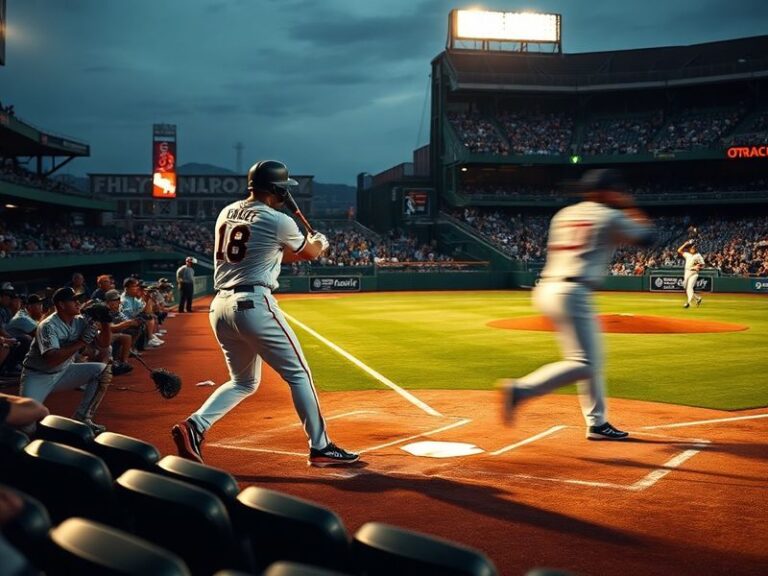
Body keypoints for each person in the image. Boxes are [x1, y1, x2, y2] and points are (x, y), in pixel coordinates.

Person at [171, 160, 359, 467]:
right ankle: (320, 446)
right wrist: (319, 244)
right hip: (254, 304)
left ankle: (194, 426)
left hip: (220, 309)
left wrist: (307, 246)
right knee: (299, 374)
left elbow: (269, 250)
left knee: (244, 382)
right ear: (274, 189)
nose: (286, 193)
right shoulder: (279, 219)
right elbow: (309, 254)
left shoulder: (227, 212)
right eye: (283, 188)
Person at [499, 169, 655, 440]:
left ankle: (597, 423)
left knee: (588, 358)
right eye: (615, 189)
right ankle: (521, 389)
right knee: (586, 363)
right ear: (607, 192)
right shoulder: (610, 214)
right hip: (574, 291)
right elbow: (648, 237)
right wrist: (628, 204)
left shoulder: (564, 214)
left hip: (547, 288)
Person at [18, 287, 113, 434]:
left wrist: (105, 322)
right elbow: (52, 359)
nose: (78, 303)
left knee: (102, 371)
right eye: (73, 300)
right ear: (61, 305)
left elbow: (103, 345)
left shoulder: (80, 321)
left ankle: (83, 418)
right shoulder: (47, 326)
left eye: (78, 300)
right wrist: (81, 342)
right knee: (26, 426)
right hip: (37, 376)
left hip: (64, 371)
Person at [677, 239, 704, 308]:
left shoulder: (698, 255)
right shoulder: (687, 255)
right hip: (687, 272)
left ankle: (688, 303)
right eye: (692, 248)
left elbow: (703, 265)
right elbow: (679, 250)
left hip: (694, 273)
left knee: (689, 288)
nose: (693, 249)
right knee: (687, 288)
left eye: (694, 248)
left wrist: (698, 267)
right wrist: (685, 244)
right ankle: (698, 298)